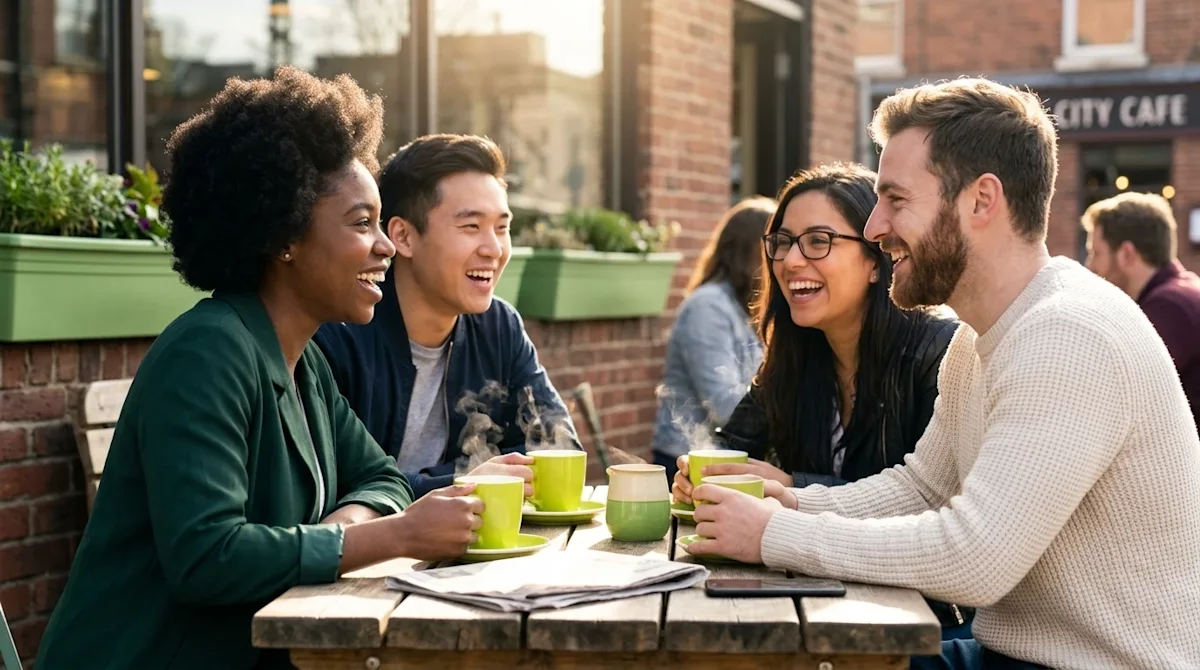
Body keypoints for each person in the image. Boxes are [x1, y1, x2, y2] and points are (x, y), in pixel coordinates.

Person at [686, 77, 1200, 670]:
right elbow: (922, 488)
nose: (876, 227)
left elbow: (975, 557)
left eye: (896, 200)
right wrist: (795, 503)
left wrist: (775, 534)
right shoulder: (982, 337)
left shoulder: (1069, 334)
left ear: (981, 201)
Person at [37, 68, 486, 670]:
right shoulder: (207, 354)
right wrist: (394, 537)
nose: (385, 246)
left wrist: (343, 528)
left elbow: (383, 477)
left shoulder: (304, 363)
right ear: (283, 236)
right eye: (361, 223)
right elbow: (208, 557)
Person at [671, 164, 969, 636]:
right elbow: (733, 449)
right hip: (816, 599)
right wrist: (702, 478)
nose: (790, 261)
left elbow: (934, 509)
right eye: (783, 242)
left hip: (926, 620)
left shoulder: (940, 351)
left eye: (818, 241)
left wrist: (794, 487)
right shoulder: (797, 354)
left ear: (877, 259)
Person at [314, 133, 582, 500]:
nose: (493, 249)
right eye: (471, 226)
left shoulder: (499, 327)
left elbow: (558, 451)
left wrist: (461, 477)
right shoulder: (338, 333)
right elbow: (331, 490)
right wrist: (465, 479)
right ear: (403, 237)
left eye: (502, 228)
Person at [650, 197, 774, 481]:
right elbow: (725, 405)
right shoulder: (708, 307)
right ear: (749, 252)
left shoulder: (747, 306)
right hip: (687, 463)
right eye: (775, 245)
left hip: (728, 460)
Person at [1082, 191, 1200, 414]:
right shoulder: (1183, 292)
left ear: (1126, 254)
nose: (1089, 266)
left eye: (1095, 253)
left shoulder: (1170, 308)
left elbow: (1110, 389)